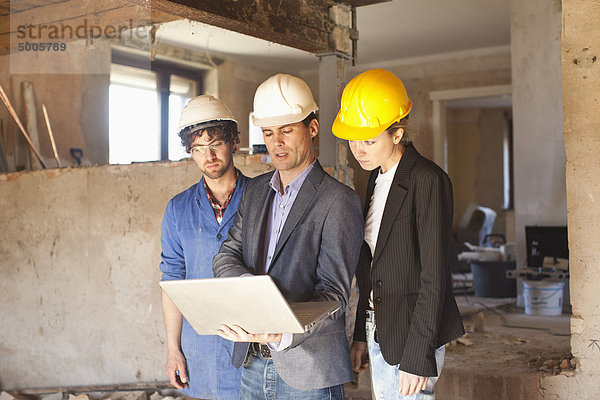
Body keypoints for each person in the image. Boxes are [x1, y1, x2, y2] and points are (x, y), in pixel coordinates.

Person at [212, 73, 364, 399]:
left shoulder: (338, 200)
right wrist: (248, 290)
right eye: (268, 132)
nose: (276, 142)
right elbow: (227, 254)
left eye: (286, 130)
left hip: (308, 370)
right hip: (252, 363)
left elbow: (333, 296)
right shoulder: (253, 192)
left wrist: (281, 331)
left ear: (312, 128)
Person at [332, 69, 465, 399]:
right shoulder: (376, 180)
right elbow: (374, 267)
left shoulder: (427, 180)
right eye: (352, 139)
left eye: (368, 140)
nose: (358, 150)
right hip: (382, 330)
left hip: (412, 336)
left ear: (396, 133)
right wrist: (363, 332)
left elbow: (434, 275)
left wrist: (418, 357)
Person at [159, 95, 247, 399]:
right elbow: (172, 281)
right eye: (197, 148)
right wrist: (174, 349)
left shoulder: (263, 198)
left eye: (216, 144)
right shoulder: (178, 209)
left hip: (252, 347)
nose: (208, 156)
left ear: (234, 142)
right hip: (202, 350)